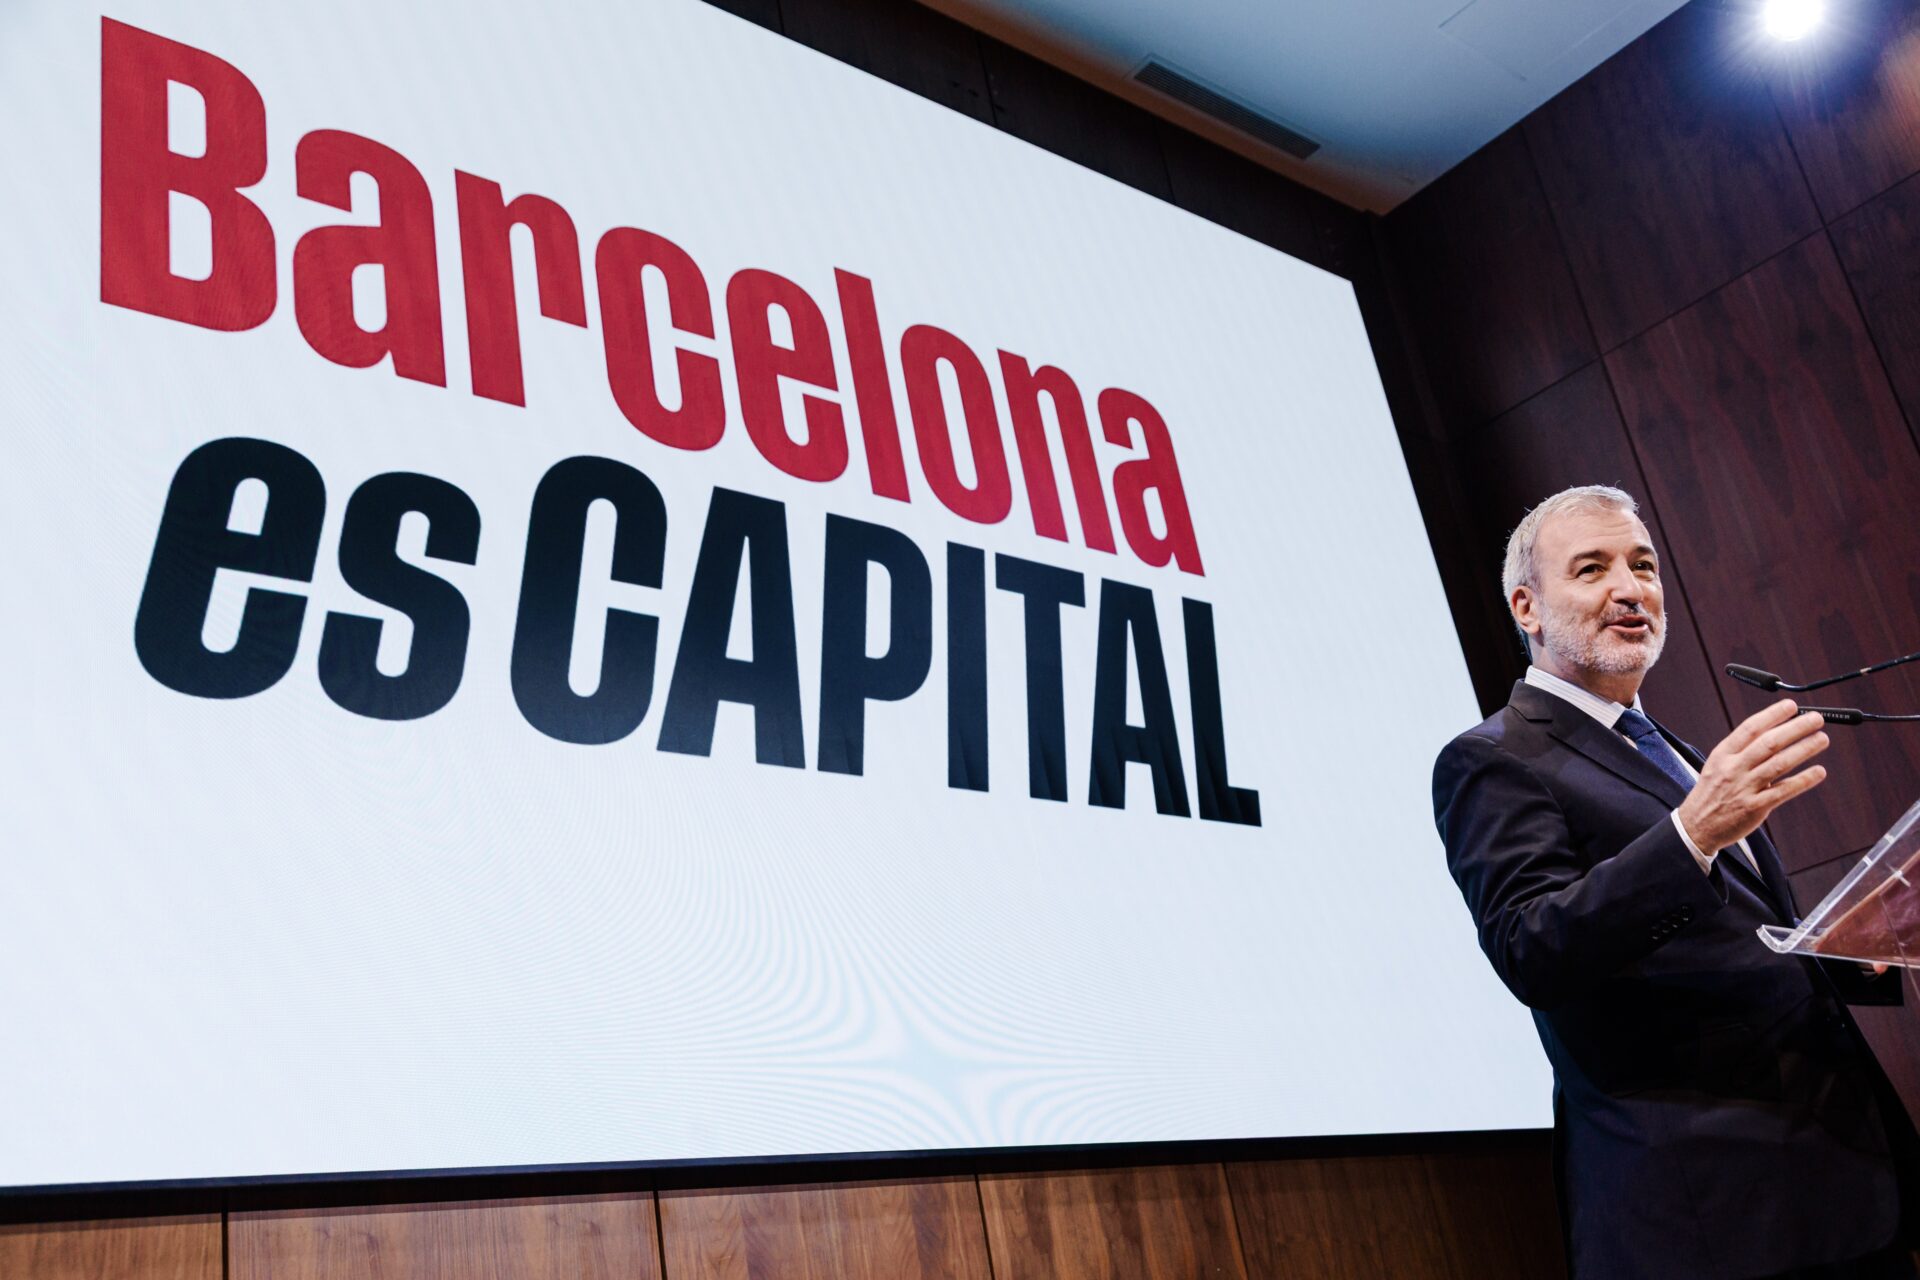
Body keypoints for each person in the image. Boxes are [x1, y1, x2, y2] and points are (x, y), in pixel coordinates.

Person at [1433, 484, 1918, 1279]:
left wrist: (1859, 946)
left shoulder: (1672, 749)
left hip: (1838, 1183)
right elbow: (1531, 949)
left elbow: (1729, 949)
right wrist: (1692, 833)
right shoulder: (1493, 759)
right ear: (1527, 607)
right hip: (1711, 1216)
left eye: (1644, 565)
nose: (1630, 588)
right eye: (1591, 569)